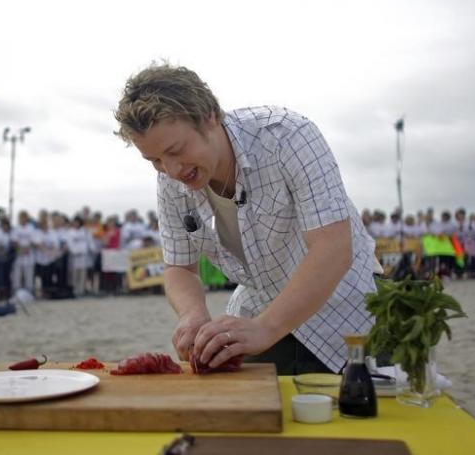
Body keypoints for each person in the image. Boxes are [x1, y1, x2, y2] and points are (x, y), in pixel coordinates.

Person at [113, 63, 377, 375]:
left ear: (210, 116)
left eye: (176, 150)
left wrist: (266, 328)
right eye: (154, 160)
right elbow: (179, 267)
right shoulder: (170, 181)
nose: (170, 171)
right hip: (258, 315)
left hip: (348, 310)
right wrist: (192, 313)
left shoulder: (288, 136)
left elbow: (333, 248)